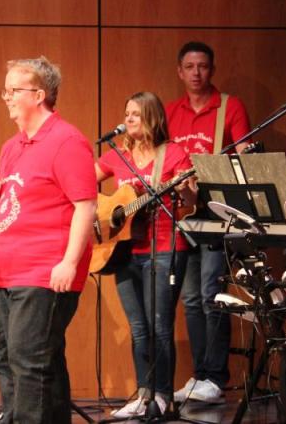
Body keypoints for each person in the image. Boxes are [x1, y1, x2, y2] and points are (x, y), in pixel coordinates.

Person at [0, 56, 97, 423]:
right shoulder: (13, 146)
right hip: (8, 269)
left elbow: (85, 206)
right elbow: (9, 201)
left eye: (14, 90)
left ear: (39, 94)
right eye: (6, 90)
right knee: (15, 357)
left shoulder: (67, 141)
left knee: (30, 361)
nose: (7, 97)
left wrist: (70, 262)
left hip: (45, 269)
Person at [95, 92, 197, 417]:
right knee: (138, 327)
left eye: (135, 114)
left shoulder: (175, 155)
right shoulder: (116, 156)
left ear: (152, 117)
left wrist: (187, 190)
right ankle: (142, 394)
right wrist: (101, 214)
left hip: (165, 248)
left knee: (160, 326)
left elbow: (191, 203)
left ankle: (163, 396)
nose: (128, 120)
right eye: (126, 113)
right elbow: (83, 185)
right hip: (124, 251)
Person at [166, 41, 251, 404]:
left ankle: (215, 376)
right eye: (190, 66)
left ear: (211, 70)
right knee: (190, 296)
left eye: (203, 66)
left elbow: (245, 157)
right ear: (180, 71)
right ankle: (200, 374)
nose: (197, 73)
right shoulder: (171, 111)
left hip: (217, 212)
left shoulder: (229, 107)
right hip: (184, 214)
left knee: (210, 293)